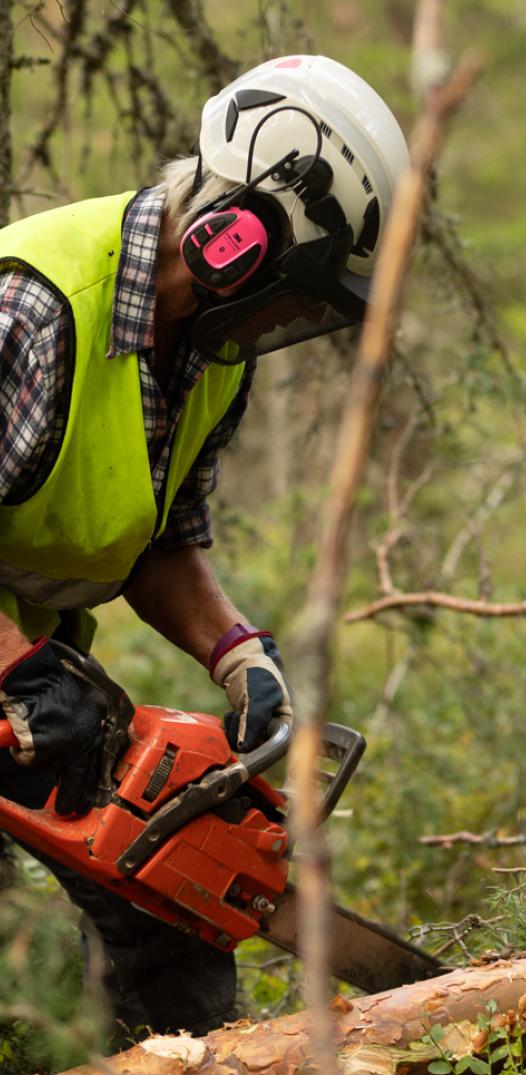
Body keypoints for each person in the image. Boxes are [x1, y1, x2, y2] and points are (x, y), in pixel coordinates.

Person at [0, 54, 409, 1044]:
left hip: (28, 656)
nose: (286, 323)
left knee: (169, 874)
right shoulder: (35, 309)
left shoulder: (206, 352)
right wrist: (21, 671)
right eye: (295, 294)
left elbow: (158, 535)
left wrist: (240, 656)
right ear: (237, 235)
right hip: (16, 657)